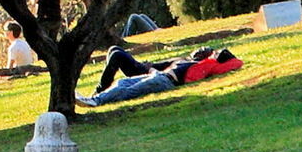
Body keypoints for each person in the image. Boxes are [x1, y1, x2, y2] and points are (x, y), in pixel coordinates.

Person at [77, 45, 240, 107]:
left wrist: (218, 55)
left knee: (129, 91)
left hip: (163, 80)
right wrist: (152, 67)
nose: (199, 49)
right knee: (122, 81)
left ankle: (96, 101)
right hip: (157, 75)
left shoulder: (201, 66)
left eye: (204, 50)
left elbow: (234, 63)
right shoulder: (184, 61)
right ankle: (96, 98)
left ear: (207, 57)